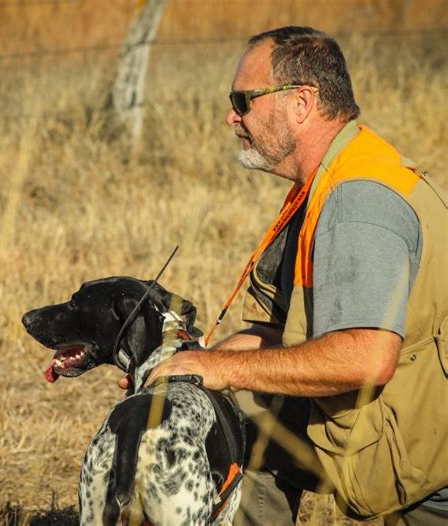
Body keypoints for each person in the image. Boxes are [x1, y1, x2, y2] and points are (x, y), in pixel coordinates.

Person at [122, 27, 448, 524]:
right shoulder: (331, 175)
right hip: (399, 420)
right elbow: (291, 333)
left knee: (233, 404)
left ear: (301, 102)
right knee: (227, 409)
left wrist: (225, 371)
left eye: (243, 100)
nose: (232, 115)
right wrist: (194, 363)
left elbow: (366, 358)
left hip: (425, 465)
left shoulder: (357, 200)